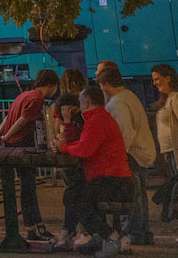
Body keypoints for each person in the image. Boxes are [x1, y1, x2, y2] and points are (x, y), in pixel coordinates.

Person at [57, 85, 134, 258]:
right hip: (109, 176)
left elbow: (84, 149)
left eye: (80, 101)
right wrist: (67, 142)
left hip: (112, 178)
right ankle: (97, 236)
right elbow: (83, 145)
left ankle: (112, 237)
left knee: (81, 203)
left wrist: (63, 146)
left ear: (87, 102)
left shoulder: (97, 120)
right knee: (73, 194)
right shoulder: (98, 118)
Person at [0, 68, 59, 242]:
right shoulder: (37, 98)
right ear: (51, 85)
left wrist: (0, 133)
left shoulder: (24, 95)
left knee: (27, 186)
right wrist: (6, 136)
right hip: (22, 144)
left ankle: (37, 226)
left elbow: (9, 117)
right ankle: (33, 228)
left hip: (11, 143)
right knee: (28, 187)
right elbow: (22, 120)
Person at [98, 64, 156, 246]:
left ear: (106, 84)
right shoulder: (129, 96)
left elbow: (124, 133)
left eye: (100, 84)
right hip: (141, 151)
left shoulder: (118, 103)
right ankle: (143, 232)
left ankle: (135, 233)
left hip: (131, 154)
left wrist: (117, 156)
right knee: (139, 195)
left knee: (132, 197)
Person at [53, 68, 89, 248]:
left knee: (72, 194)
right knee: (80, 194)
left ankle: (69, 233)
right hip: (85, 155)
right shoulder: (86, 102)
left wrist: (57, 142)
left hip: (69, 154)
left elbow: (58, 128)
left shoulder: (62, 102)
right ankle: (82, 232)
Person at [151, 64, 178, 221]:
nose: (154, 83)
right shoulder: (167, 99)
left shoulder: (175, 99)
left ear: (168, 78)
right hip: (170, 151)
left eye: (157, 79)